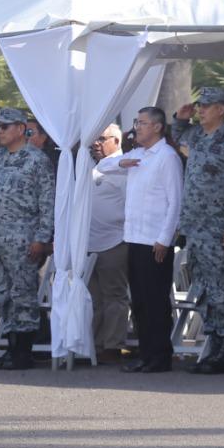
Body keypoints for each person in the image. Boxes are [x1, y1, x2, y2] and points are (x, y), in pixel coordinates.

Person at [0, 107, 56, 370]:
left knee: (22, 294)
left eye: (5, 127)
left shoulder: (37, 160)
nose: (0, 131)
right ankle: (11, 346)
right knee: (0, 293)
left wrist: (41, 238)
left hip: (22, 238)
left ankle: (22, 352)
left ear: (21, 128)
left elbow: (47, 202)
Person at [171, 88, 224, 375]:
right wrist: (179, 120)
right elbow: (178, 136)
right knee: (205, 290)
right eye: (199, 106)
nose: (200, 110)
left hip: (220, 229)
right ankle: (212, 346)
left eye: (206, 106)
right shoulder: (196, 136)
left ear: (221, 109)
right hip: (196, 228)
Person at [96, 107, 183, 373]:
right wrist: (121, 162)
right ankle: (145, 353)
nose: (137, 127)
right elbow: (102, 166)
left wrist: (165, 239)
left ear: (158, 127)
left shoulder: (166, 157)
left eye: (143, 123)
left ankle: (159, 355)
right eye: (136, 122)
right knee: (141, 301)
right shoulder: (137, 155)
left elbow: (175, 201)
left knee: (156, 300)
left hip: (155, 240)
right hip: (134, 237)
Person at [87, 124, 131, 362]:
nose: (96, 143)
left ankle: (113, 345)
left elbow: (130, 204)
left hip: (115, 239)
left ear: (116, 141)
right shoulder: (94, 167)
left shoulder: (124, 168)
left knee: (113, 294)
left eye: (101, 139)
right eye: (95, 139)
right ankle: (95, 343)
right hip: (91, 241)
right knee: (94, 296)